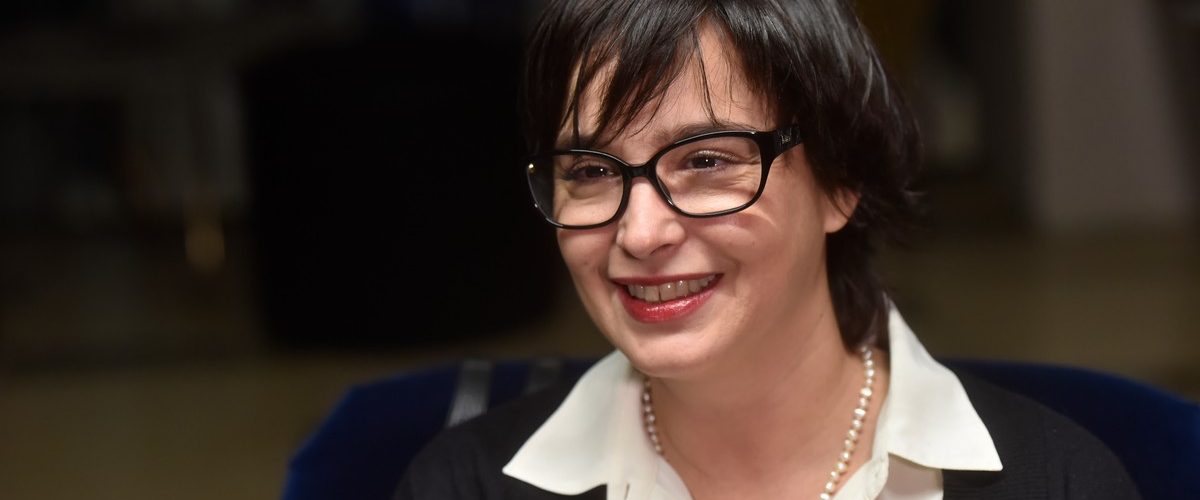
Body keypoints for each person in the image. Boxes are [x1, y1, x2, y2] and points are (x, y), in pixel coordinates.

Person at [398, 1, 1140, 498]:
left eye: (706, 160)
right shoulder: (464, 485)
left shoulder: (1059, 481)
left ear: (841, 181)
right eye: (591, 172)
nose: (641, 233)